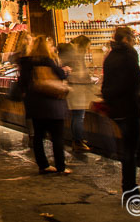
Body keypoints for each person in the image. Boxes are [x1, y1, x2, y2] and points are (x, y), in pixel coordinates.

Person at [101, 26, 140, 209]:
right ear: (127, 39)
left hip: (115, 107)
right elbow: (135, 79)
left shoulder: (110, 56)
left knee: (130, 148)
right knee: (132, 149)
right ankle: (130, 189)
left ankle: (130, 188)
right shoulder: (129, 54)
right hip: (128, 106)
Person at [20, 36, 71, 174]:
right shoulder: (49, 60)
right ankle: (61, 166)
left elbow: (23, 82)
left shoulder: (27, 62)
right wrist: (65, 70)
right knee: (57, 137)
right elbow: (61, 75)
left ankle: (43, 165)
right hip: (52, 103)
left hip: (35, 104)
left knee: (38, 136)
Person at [66, 36, 94, 152]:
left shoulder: (70, 52)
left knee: (76, 116)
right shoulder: (77, 55)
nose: (88, 50)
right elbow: (81, 73)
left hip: (73, 89)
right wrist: (89, 81)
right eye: (87, 47)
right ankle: (78, 141)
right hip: (77, 89)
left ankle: (77, 139)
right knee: (79, 116)